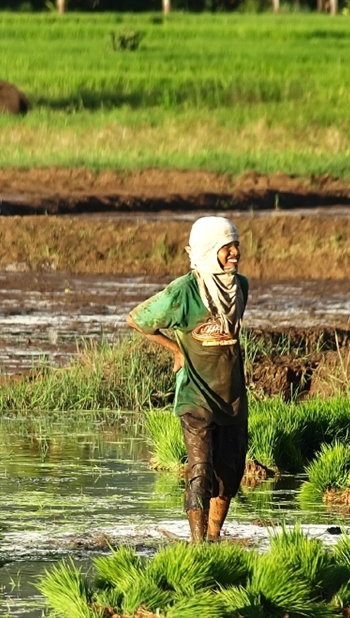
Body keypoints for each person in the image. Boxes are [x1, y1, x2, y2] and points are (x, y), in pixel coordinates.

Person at [126, 216, 249, 543]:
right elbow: (138, 320)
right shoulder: (184, 291)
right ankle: (197, 548)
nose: (235, 252)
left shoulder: (241, 287)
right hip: (196, 396)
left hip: (233, 397)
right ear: (209, 250)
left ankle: (213, 538)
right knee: (200, 472)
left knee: (230, 474)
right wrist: (175, 350)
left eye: (236, 245)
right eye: (227, 247)